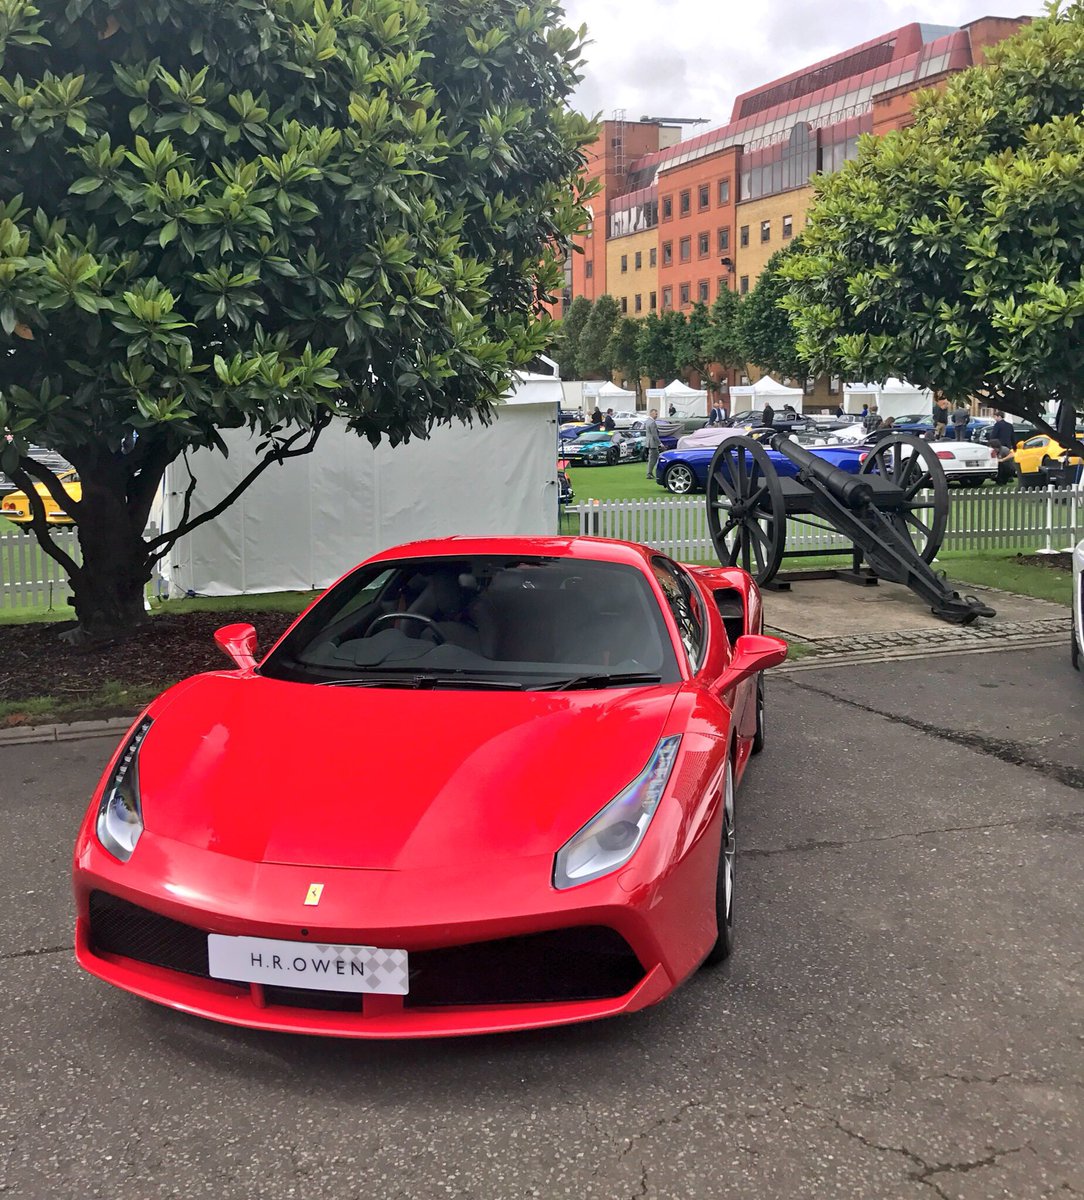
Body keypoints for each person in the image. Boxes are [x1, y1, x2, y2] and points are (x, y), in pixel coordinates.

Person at [644, 408, 662, 480]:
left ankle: (650, 473)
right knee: (655, 459)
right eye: (655, 413)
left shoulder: (648, 421)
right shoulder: (652, 423)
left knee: (653, 459)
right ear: (651, 414)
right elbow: (654, 435)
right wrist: (660, 444)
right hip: (653, 443)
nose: (657, 415)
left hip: (649, 443)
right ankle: (650, 473)